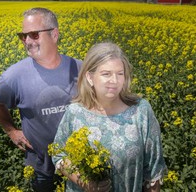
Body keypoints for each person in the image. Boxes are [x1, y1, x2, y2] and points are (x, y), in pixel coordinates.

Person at [52, 42, 167, 192]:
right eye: (106, 74)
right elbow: (59, 155)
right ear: (90, 77)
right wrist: (85, 183)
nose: (114, 80)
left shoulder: (141, 111)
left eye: (120, 74)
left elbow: (152, 172)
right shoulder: (75, 113)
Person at [0, 7, 82, 192]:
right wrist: (11, 131)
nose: (27, 41)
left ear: (54, 34)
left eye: (33, 34)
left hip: (78, 158)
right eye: (23, 36)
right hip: (40, 163)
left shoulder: (80, 67)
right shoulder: (14, 76)